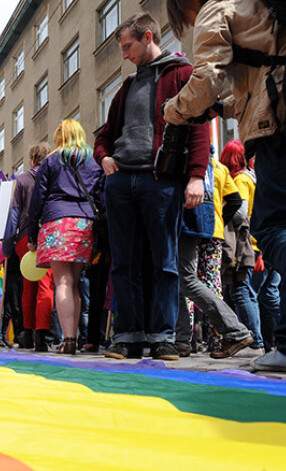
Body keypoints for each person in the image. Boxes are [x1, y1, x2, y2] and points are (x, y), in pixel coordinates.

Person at [164, 0, 286, 373]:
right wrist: (224, 109)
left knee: (275, 229)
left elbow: (207, 78)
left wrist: (173, 110)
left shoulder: (219, 6)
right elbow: (270, 69)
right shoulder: (259, 8)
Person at [94, 12, 210, 361]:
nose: (124, 55)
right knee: (124, 262)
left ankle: (163, 337)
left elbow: (199, 125)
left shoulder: (182, 74)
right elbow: (103, 135)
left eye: (128, 47)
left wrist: (196, 175)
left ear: (147, 37)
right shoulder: (125, 87)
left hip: (160, 181)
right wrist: (103, 158)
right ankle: (127, 336)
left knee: (165, 261)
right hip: (121, 182)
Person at [28, 119, 104, 355]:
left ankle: (68, 339)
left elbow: (37, 200)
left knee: (62, 282)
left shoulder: (51, 160)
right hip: (84, 224)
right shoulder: (93, 162)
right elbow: (101, 195)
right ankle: (74, 339)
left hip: (56, 222)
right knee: (76, 283)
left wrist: (32, 233)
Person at [176, 156, 254, 359]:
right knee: (211, 285)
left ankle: (185, 340)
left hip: (193, 225)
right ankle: (216, 340)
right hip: (214, 231)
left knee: (187, 283)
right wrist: (221, 217)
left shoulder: (189, 163)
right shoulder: (219, 167)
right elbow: (235, 201)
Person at [3, 142, 54, 352]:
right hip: (50, 234)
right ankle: (42, 335)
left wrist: (7, 244)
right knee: (46, 286)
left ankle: (28, 332)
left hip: (25, 237)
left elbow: (14, 213)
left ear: (32, 158)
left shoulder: (22, 179)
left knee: (28, 286)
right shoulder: (55, 176)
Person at [218, 139, 264, 354]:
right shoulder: (251, 177)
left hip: (244, 244)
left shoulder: (240, 180)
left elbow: (239, 213)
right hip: (254, 242)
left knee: (241, 291)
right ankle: (255, 339)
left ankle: (254, 341)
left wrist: (222, 212)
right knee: (247, 292)